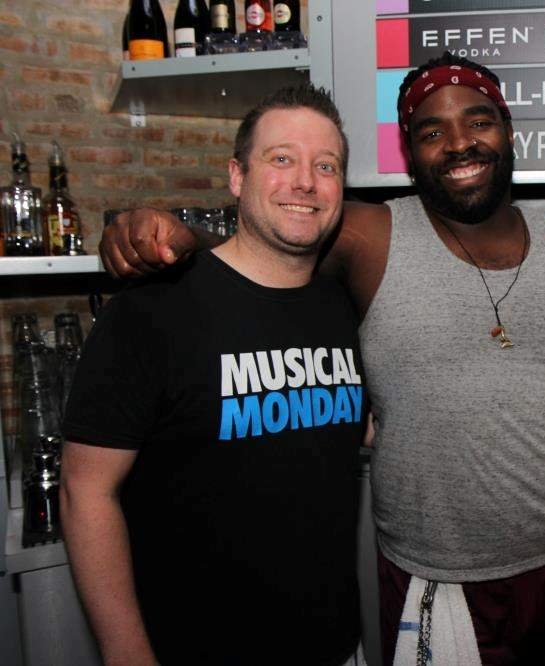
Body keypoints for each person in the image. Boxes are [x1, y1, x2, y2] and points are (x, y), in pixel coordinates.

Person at [99, 52, 545, 665]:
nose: (459, 143)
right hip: (442, 581)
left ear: (508, 130)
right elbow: (269, 242)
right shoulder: (371, 237)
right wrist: (172, 236)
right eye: (431, 132)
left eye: (478, 121)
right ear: (409, 152)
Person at [61, 84, 368, 666]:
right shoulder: (151, 311)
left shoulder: (339, 307)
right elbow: (86, 490)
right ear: (236, 176)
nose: (305, 182)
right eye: (282, 159)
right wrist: (126, 653)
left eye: (325, 166)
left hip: (334, 646)